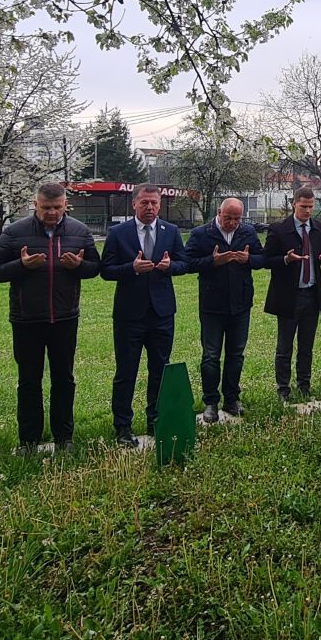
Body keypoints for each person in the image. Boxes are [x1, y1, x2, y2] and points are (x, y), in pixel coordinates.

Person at [0, 182, 101, 453]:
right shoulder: (15, 232)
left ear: (65, 205)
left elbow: (95, 268)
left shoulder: (79, 231)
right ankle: (29, 440)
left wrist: (79, 266)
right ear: (35, 204)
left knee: (64, 379)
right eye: (46, 207)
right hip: (27, 319)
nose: (52, 213)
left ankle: (64, 437)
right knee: (29, 380)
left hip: (65, 318)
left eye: (57, 208)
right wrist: (21, 266)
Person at [99, 184, 187, 447]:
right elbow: (106, 270)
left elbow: (185, 263)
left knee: (160, 368)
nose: (150, 208)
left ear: (160, 205)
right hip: (129, 314)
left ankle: (156, 419)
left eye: (154, 203)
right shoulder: (118, 233)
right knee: (126, 371)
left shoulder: (170, 231)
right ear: (134, 204)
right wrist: (132, 268)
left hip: (161, 312)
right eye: (144, 203)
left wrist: (171, 266)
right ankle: (123, 426)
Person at [184, 198, 265, 423]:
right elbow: (187, 263)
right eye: (228, 218)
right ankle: (211, 402)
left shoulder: (247, 232)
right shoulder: (202, 233)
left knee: (236, 354)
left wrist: (249, 259)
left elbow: (262, 259)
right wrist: (213, 261)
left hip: (241, 303)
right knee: (211, 356)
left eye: (237, 218)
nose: (232, 223)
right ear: (218, 213)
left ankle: (232, 399)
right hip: (212, 304)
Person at [263, 187, 321, 402]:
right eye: (304, 207)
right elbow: (266, 260)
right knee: (285, 346)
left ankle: (304, 386)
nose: (308, 211)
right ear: (294, 204)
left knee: (306, 346)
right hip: (288, 296)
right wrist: (286, 259)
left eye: (311, 207)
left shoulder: (319, 228)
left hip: (312, 294)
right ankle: (283, 389)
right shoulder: (279, 229)